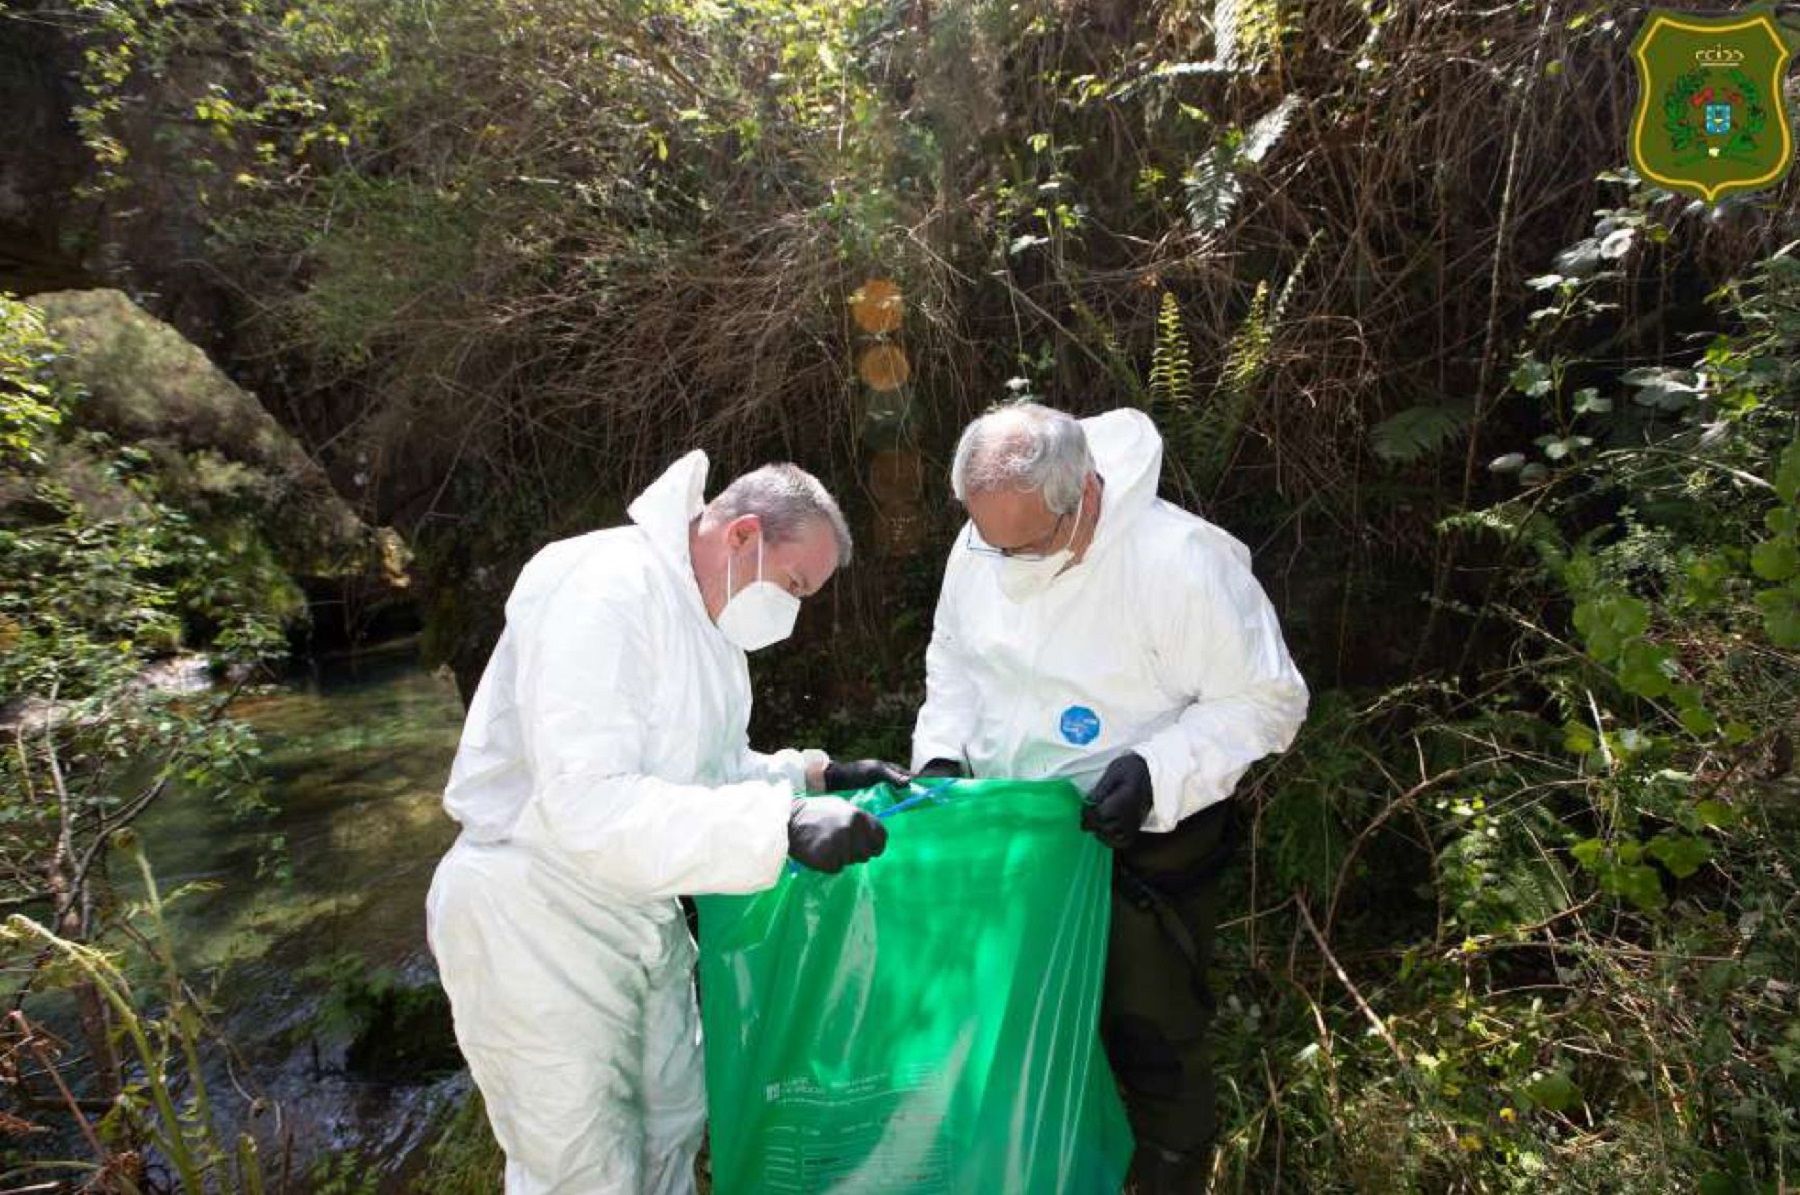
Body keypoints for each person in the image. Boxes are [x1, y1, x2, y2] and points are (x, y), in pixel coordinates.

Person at [426, 450, 910, 1195]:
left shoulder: (707, 623)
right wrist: (780, 826)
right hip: (534, 912)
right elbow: (588, 803)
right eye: (794, 584)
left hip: (633, 910)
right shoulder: (602, 586)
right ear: (743, 534)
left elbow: (706, 772)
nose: (793, 609)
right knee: (582, 1166)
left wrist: (817, 773)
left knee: (671, 1129)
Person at [911, 402, 1308, 1191]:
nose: (1001, 559)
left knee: (1151, 1036)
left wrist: (1159, 768)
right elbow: (952, 655)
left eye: (1022, 546)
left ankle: (1167, 1168)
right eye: (987, 540)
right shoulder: (984, 538)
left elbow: (1269, 699)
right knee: (1014, 1024)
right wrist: (944, 754)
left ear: (1083, 495)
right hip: (1013, 840)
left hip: (1140, 846)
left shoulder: (1178, 562)